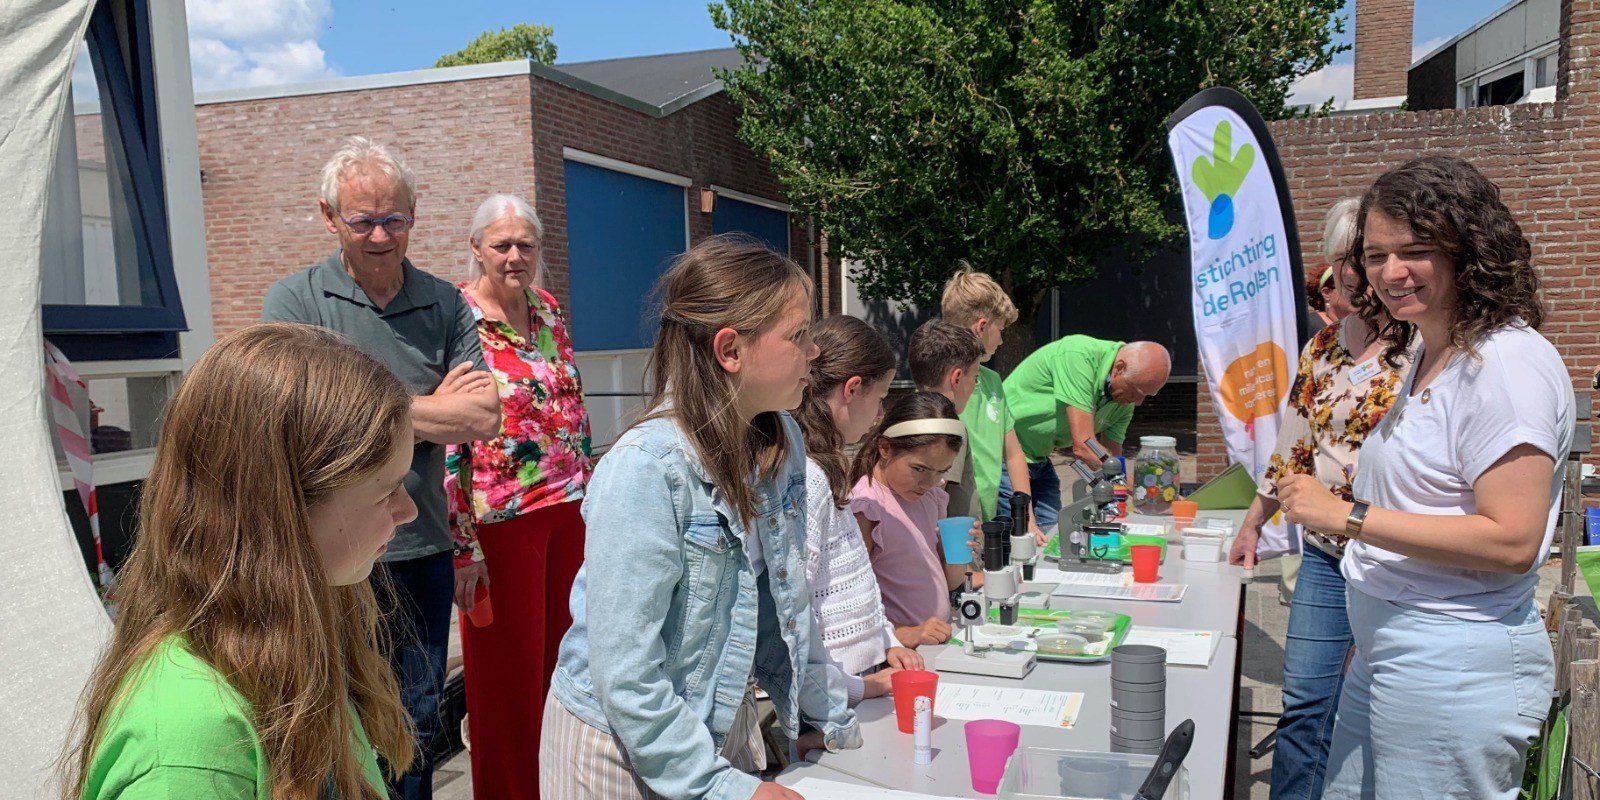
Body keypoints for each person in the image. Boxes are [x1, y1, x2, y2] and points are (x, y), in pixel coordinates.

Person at [1278, 155, 1571, 800]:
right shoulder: (1429, 350)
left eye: (1415, 250)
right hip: (1393, 642)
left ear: (1471, 250)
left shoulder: (1506, 365)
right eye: (1376, 255)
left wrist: (1345, 517)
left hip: (1452, 659)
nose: (1390, 272)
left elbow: (1513, 541)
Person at [540, 237, 860, 800]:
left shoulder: (779, 436)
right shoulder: (645, 469)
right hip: (618, 751)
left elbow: (788, 608)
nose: (814, 353)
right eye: (798, 335)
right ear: (730, 350)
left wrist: (827, 719)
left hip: (713, 725)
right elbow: (628, 674)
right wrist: (726, 788)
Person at [63, 323, 418, 799]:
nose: (408, 511)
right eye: (384, 491)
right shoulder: (191, 750)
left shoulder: (288, 648)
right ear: (280, 510)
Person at [261, 136, 499, 799]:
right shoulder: (295, 302)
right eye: (362, 220)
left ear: (414, 216)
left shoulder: (446, 303)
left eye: (393, 218)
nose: (379, 234)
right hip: (325, 552)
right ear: (328, 216)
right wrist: (427, 410)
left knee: (416, 720)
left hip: (418, 546)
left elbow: (482, 418)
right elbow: (301, 421)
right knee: (327, 715)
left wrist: (366, 409)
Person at [1227, 198, 1412, 800]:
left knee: (1372, 711)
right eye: (1341, 261)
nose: (1352, 274)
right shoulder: (1323, 348)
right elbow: (1293, 442)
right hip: (1329, 557)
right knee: (1305, 701)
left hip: (1396, 556)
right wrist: (1254, 522)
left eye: (1362, 259)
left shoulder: (1420, 348)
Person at [444, 194, 593, 799]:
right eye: (501, 244)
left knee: (565, 667)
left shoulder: (548, 309)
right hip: (500, 522)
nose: (514, 255)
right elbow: (450, 438)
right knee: (508, 682)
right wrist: (462, 546)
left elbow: (572, 408)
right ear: (476, 247)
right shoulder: (455, 316)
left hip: (569, 511)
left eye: (525, 244)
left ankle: (558, 784)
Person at [791, 314, 923, 704]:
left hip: (860, 677)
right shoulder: (808, 476)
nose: (881, 414)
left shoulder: (822, 465)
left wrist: (887, 639)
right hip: (837, 692)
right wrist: (859, 689)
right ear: (852, 389)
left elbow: (851, 579)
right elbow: (794, 612)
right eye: (881, 398)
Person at [1000, 336, 1172, 531]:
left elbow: (1113, 460)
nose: (1139, 401)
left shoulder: (1124, 400)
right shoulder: (1079, 356)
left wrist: (1144, 496)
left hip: (1037, 459)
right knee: (1016, 539)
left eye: (1147, 395)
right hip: (1002, 454)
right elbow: (1084, 446)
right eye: (1137, 390)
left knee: (1054, 534)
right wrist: (1146, 496)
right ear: (1119, 368)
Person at [851, 391, 968, 647]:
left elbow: (952, 581)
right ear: (885, 448)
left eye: (941, 471)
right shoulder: (866, 509)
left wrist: (960, 552)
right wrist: (905, 634)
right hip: (896, 651)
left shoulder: (930, 497)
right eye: (919, 469)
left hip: (935, 641)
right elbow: (851, 603)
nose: (929, 482)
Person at [939, 267, 1045, 537]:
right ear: (982, 326)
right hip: (955, 529)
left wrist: (1027, 519)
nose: (1001, 338)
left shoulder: (992, 381)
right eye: (1000, 329)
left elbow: (1014, 453)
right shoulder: (940, 388)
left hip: (986, 522)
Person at [906, 318, 983, 517]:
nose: (975, 385)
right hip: (951, 544)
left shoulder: (907, 416)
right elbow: (934, 493)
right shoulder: (949, 428)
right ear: (957, 378)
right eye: (975, 377)